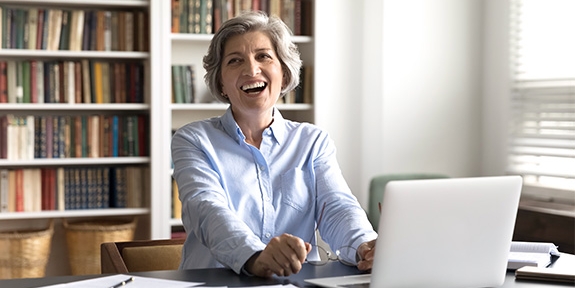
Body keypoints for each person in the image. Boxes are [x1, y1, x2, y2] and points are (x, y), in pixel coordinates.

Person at [171, 10, 378, 278]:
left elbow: (337, 208)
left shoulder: (312, 142)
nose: (251, 69)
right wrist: (255, 256)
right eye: (235, 61)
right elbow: (207, 209)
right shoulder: (193, 140)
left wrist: (366, 246)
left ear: (283, 71)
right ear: (221, 83)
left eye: (263, 56)